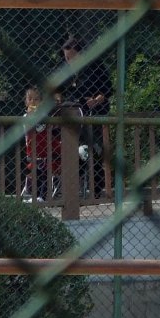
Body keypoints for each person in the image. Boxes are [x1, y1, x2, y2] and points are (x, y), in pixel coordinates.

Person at [59, 36, 112, 198]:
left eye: (72, 57)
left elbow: (108, 89)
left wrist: (96, 100)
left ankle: (96, 189)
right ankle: (75, 186)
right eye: (66, 58)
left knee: (94, 149)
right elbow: (60, 91)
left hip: (95, 112)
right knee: (75, 149)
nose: (69, 61)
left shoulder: (95, 66)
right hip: (74, 113)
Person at [20, 86, 61, 201]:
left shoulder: (45, 116)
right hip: (33, 151)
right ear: (26, 101)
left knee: (46, 168)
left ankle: (42, 196)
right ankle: (34, 194)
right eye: (30, 99)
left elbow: (42, 129)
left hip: (48, 151)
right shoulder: (25, 117)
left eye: (36, 99)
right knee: (35, 170)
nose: (33, 102)